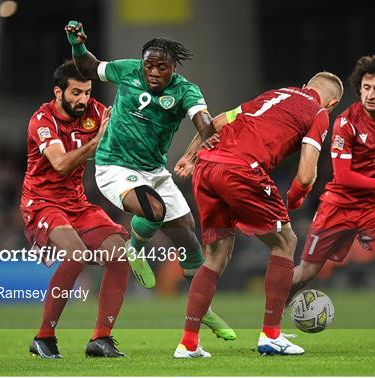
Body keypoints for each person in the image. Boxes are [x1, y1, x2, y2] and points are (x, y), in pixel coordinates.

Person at [64, 21, 235, 340]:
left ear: (174, 67)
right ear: (142, 63)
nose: (154, 72)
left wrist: (201, 141)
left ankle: (203, 311)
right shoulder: (126, 70)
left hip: (155, 172)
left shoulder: (185, 90)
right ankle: (134, 248)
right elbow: (88, 66)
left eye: (162, 67)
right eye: (149, 66)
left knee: (190, 244)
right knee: (152, 211)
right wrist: (77, 44)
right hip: (114, 166)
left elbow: (203, 120)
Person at [173, 72, 344, 358]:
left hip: (206, 167)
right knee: (286, 242)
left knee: (216, 255)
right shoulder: (319, 113)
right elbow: (305, 174)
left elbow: (215, 122)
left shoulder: (275, 94)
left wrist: (189, 157)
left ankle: (188, 343)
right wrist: (297, 196)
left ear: (305, 87)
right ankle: (271, 336)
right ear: (333, 103)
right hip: (241, 169)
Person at [287, 55, 375, 348]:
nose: (370, 94)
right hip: (339, 205)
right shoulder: (345, 123)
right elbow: (344, 176)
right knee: (306, 272)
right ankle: (269, 324)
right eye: (366, 87)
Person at [21, 61, 130, 358]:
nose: (83, 99)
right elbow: (60, 163)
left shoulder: (95, 112)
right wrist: (95, 143)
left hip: (76, 203)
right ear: (58, 92)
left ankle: (101, 339)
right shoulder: (42, 120)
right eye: (76, 92)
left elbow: (125, 135)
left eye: (88, 92)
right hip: (42, 203)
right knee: (76, 253)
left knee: (120, 257)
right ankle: (44, 337)